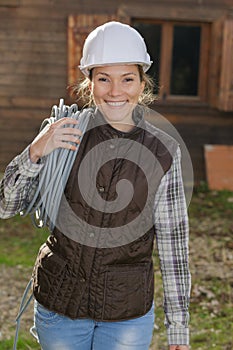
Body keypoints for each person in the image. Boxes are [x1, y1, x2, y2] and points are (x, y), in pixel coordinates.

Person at [0, 21, 191, 350]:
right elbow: (6, 205)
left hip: (126, 315)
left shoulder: (164, 152)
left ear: (142, 82)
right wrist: (35, 151)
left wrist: (178, 327)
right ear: (89, 82)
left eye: (127, 79)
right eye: (104, 79)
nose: (116, 91)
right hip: (60, 307)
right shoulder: (63, 135)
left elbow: (174, 245)